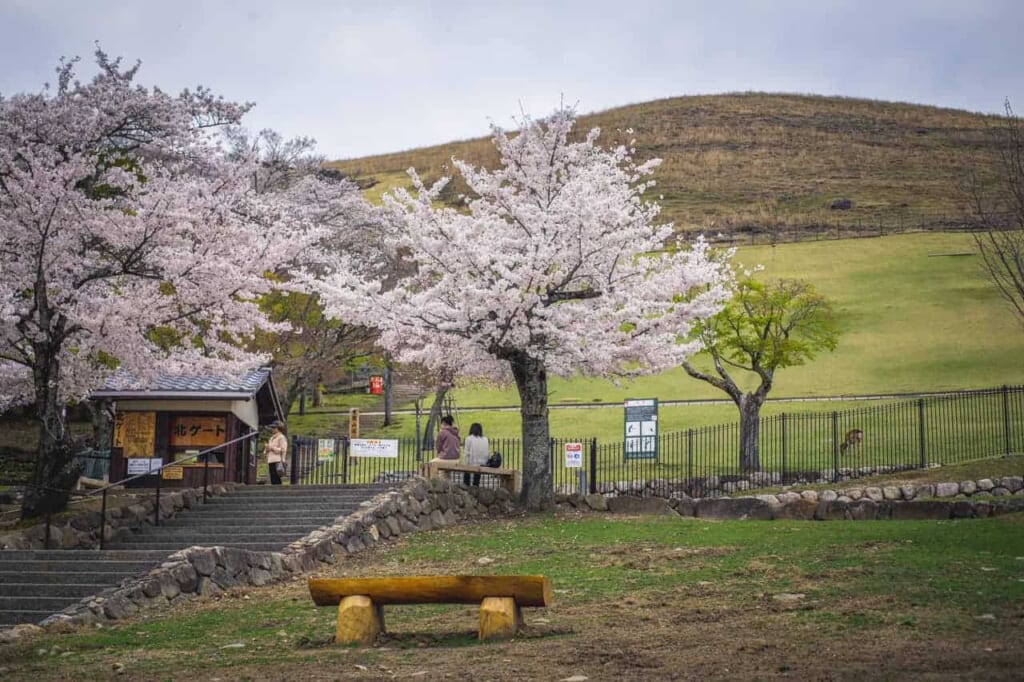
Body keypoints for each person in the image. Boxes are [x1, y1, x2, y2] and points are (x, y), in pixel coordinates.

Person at [264, 420, 288, 485]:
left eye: (274, 428)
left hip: (278, 460)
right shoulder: (271, 438)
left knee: (277, 477)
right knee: (272, 477)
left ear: (278, 429)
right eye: (272, 428)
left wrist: (272, 448)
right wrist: (266, 449)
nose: (273, 429)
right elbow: (268, 449)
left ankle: (278, 490)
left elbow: (283, 449)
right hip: (270, 460)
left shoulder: (281, 437)